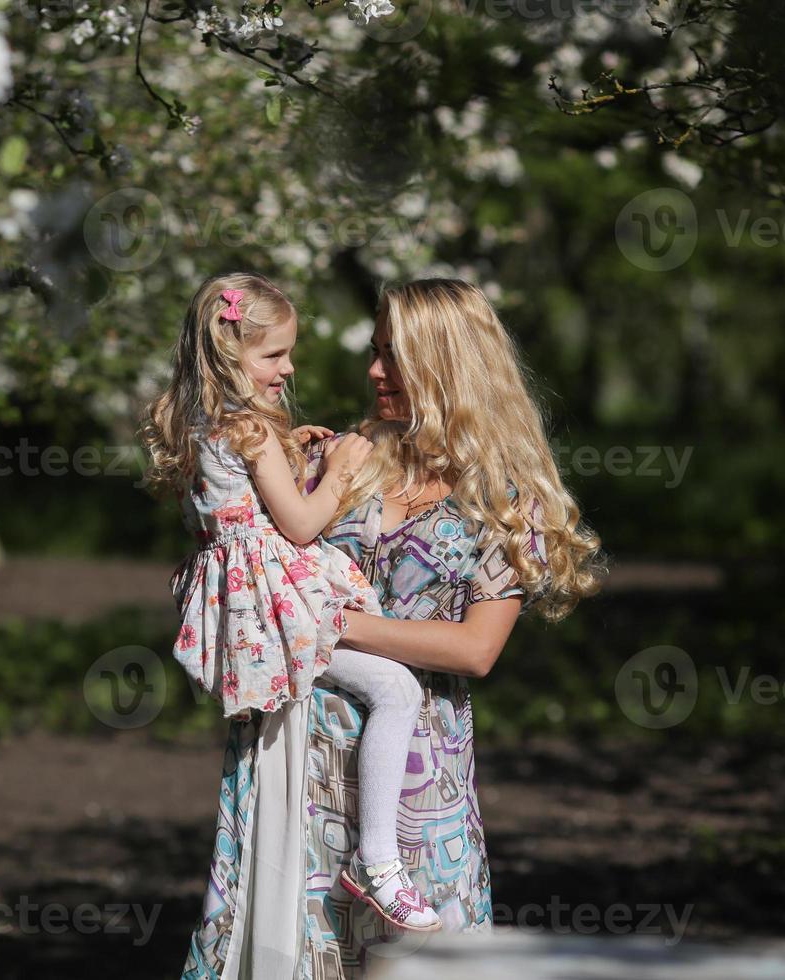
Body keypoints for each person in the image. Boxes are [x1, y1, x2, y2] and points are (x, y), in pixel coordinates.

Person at [181, 278, 606, 978]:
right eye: (377, 352)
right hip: (296, 762)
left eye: (395, 356)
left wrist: (328, 625)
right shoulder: (338, 459)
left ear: (448, 366)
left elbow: (475, 650)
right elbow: (239, 551)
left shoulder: (507, 502)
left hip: (416, 786)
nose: (375, 370)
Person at [143, 271, 445, 932]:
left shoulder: (196, 417)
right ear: (231, 353)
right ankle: (379, 864)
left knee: (382, 688)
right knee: (397, 690)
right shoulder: (248, 428)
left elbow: (243, 498)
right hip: (273, 605)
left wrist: (289, 447)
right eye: (273, 354)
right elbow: (302, 524)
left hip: (245, 600)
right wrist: (337, 473)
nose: (289, 366)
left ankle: (371, 856)